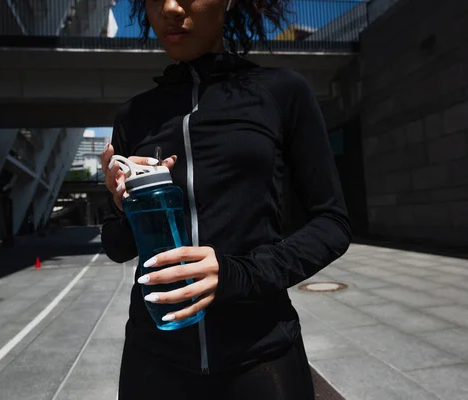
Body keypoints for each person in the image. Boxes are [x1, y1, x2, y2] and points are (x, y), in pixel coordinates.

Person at [100, 0, 351, 397]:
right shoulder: (135, 115)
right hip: (153, 360)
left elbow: (332, 224)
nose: (169, 7)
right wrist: (124, 206)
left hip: (261, 355)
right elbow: (116, 246)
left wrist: (237, 274)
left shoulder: (282, 91)